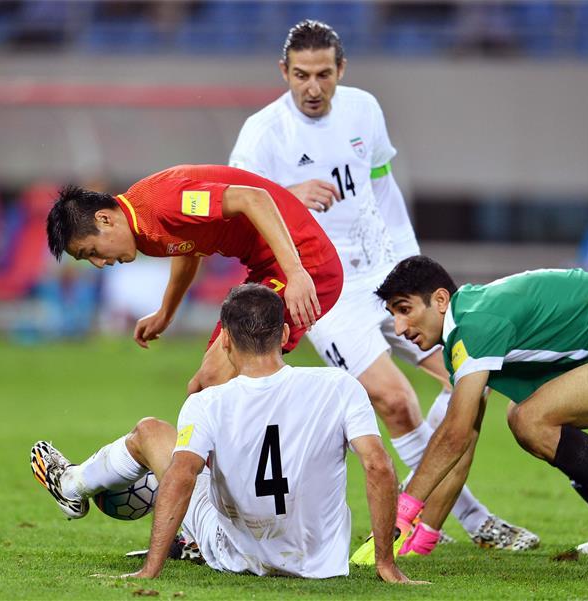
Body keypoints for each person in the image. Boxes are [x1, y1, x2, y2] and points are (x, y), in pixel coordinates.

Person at [229, 19, 537, 551]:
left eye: (323, 74)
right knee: (394, 400)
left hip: (384, 272)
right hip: (325, 290)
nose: (312, 87)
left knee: (470, 378)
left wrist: (411, 266)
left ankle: (427, 509)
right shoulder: (263, 133)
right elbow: (235, 209)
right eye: (301, 75)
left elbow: (384, 191)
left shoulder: (364, 110)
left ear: (341, 69)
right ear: (283, 71)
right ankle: (475, 520)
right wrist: (287, 193)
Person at [30, 284, 420, 583]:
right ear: (285, 333)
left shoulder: (208, 402)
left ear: (226, 340)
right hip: (321, 563)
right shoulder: (339, 385)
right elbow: (379, 467)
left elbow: (181, 478)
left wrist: (151, 569)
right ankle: (181, 536)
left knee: (151, 432)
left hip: (235, 553)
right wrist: (385, 563)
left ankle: (73, 484)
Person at [366, 256, 588, 566]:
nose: (399, 328)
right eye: (393, 314)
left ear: (440, 300)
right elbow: (463, 443)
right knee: (522, 417)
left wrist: (403, 511)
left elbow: (455, 433)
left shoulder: (476, 325)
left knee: (531, 420)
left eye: (404, 309)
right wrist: (426, 534)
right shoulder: (467, 326)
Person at [45, 164, 343, 392]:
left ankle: (319, 419)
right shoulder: (142, 227)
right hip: (269, 270)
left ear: (105, 219)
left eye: (92, 252)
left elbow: (253, 198)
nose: (99, 263)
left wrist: (295, 272)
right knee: (202, 389)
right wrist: (166, 312)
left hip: (306, 263)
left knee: (218, 381)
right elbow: (190, 246)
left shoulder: (162, 204)